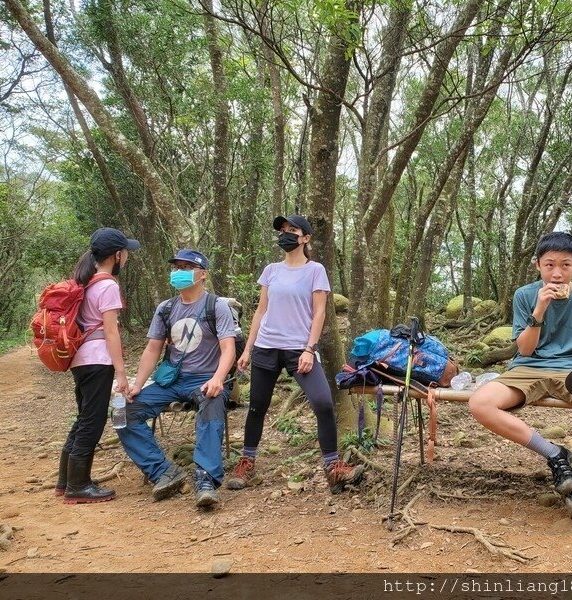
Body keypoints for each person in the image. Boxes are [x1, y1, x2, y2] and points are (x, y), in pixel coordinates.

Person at [468, 232, 572, 519]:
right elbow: (523, 348)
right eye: (549, 265)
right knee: (479, 403)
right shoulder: (525, 295)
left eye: (565, 265)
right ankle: (554, 454)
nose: (557, 273)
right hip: (526, 368)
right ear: (538, 265)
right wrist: (540, 309)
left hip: (570, 371)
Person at [227, 214, 364, 493]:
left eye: (292, 230)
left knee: (323, 402)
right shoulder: (271, 270)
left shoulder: (315, 270)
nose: (286, 234)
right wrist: (248, 349)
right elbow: (261, 310)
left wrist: (308, 349)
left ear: (306, 238)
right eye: (283, 230)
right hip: (266, 346)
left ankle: (332, 467)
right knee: (257, 407)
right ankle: (247, 463)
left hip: (299, 349)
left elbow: (320, 312)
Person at [118, 249, 237, 508]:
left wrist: (219, 378)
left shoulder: (216, 306)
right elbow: (152, 349)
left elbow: (229, 348)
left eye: (186, 267)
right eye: (176, 267)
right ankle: (163, 472)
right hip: (171, 381)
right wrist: (138, 384)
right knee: (123, 412)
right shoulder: (166, 308)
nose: (179, 272)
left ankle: (206, 479)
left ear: (202, 273)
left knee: (211, 403)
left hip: (206, 378)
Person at [58, 227, 139, 504]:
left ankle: (65, 480)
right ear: (117, 255)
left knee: (83, 418)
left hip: (80, 360)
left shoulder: (86, 282)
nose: (127, 256)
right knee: (92, 422)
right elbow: (111, 332)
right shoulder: (108, 286)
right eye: (126, 251)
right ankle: (77, 486)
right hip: (98, 360)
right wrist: (121, 372)